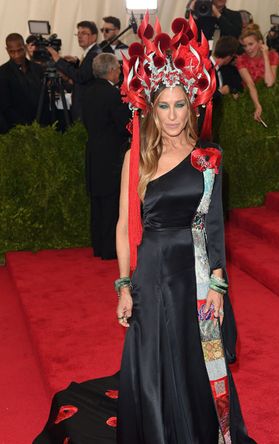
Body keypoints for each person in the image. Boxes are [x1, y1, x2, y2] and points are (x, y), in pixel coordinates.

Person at [33, 14, 256, 444]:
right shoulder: (136, 159)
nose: (172, 116)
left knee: (201, 358)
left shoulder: (209, 156)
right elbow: (122, 224)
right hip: (151, 271)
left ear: (192, 103)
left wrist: (217, 284)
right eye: (163, 105)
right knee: (152, 361)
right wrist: (123, 284)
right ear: (151, 108)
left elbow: (213, 227)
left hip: (194, 273)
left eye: (179, 104)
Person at [82, 53, 131, 260]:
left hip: (93, 151)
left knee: (98, 203)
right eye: (118, 68)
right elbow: (124, 125)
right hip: (111, 154)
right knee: (112, 202)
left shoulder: (87, 91)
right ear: (111, 70)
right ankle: (110, 249)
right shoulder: (112, 94)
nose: (120, 71)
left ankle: (98, 246)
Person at [47, 20, 101, 121]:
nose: (80, 36)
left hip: (85, 106)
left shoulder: (94, 54)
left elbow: (80, 77)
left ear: (94, 36)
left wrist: (57, 59)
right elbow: (86, 72)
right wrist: (76, 62)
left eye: (84, 33)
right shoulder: (91, 52)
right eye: (78, 33)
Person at [0, 33, 48, 134]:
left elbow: (44, 99)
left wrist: (42, 125)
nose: (16, 55)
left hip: (40, 126)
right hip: (15, 130)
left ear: (25, 47)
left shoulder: (38, 69)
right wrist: (25, 127)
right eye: (12, 52)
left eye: (20, 50)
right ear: (7, 50)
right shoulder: (3, 73)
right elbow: (5, 106)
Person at [236, 24, 279, 122]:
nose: (248, 49)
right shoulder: (241, 60)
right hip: (250, 98)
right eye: (244, 46)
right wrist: (258, 105)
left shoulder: (273, 56)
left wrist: (265, 56)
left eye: (251, 44)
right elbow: (250, 85)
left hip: (271, 97)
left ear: (260, 43)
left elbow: (269, 83)